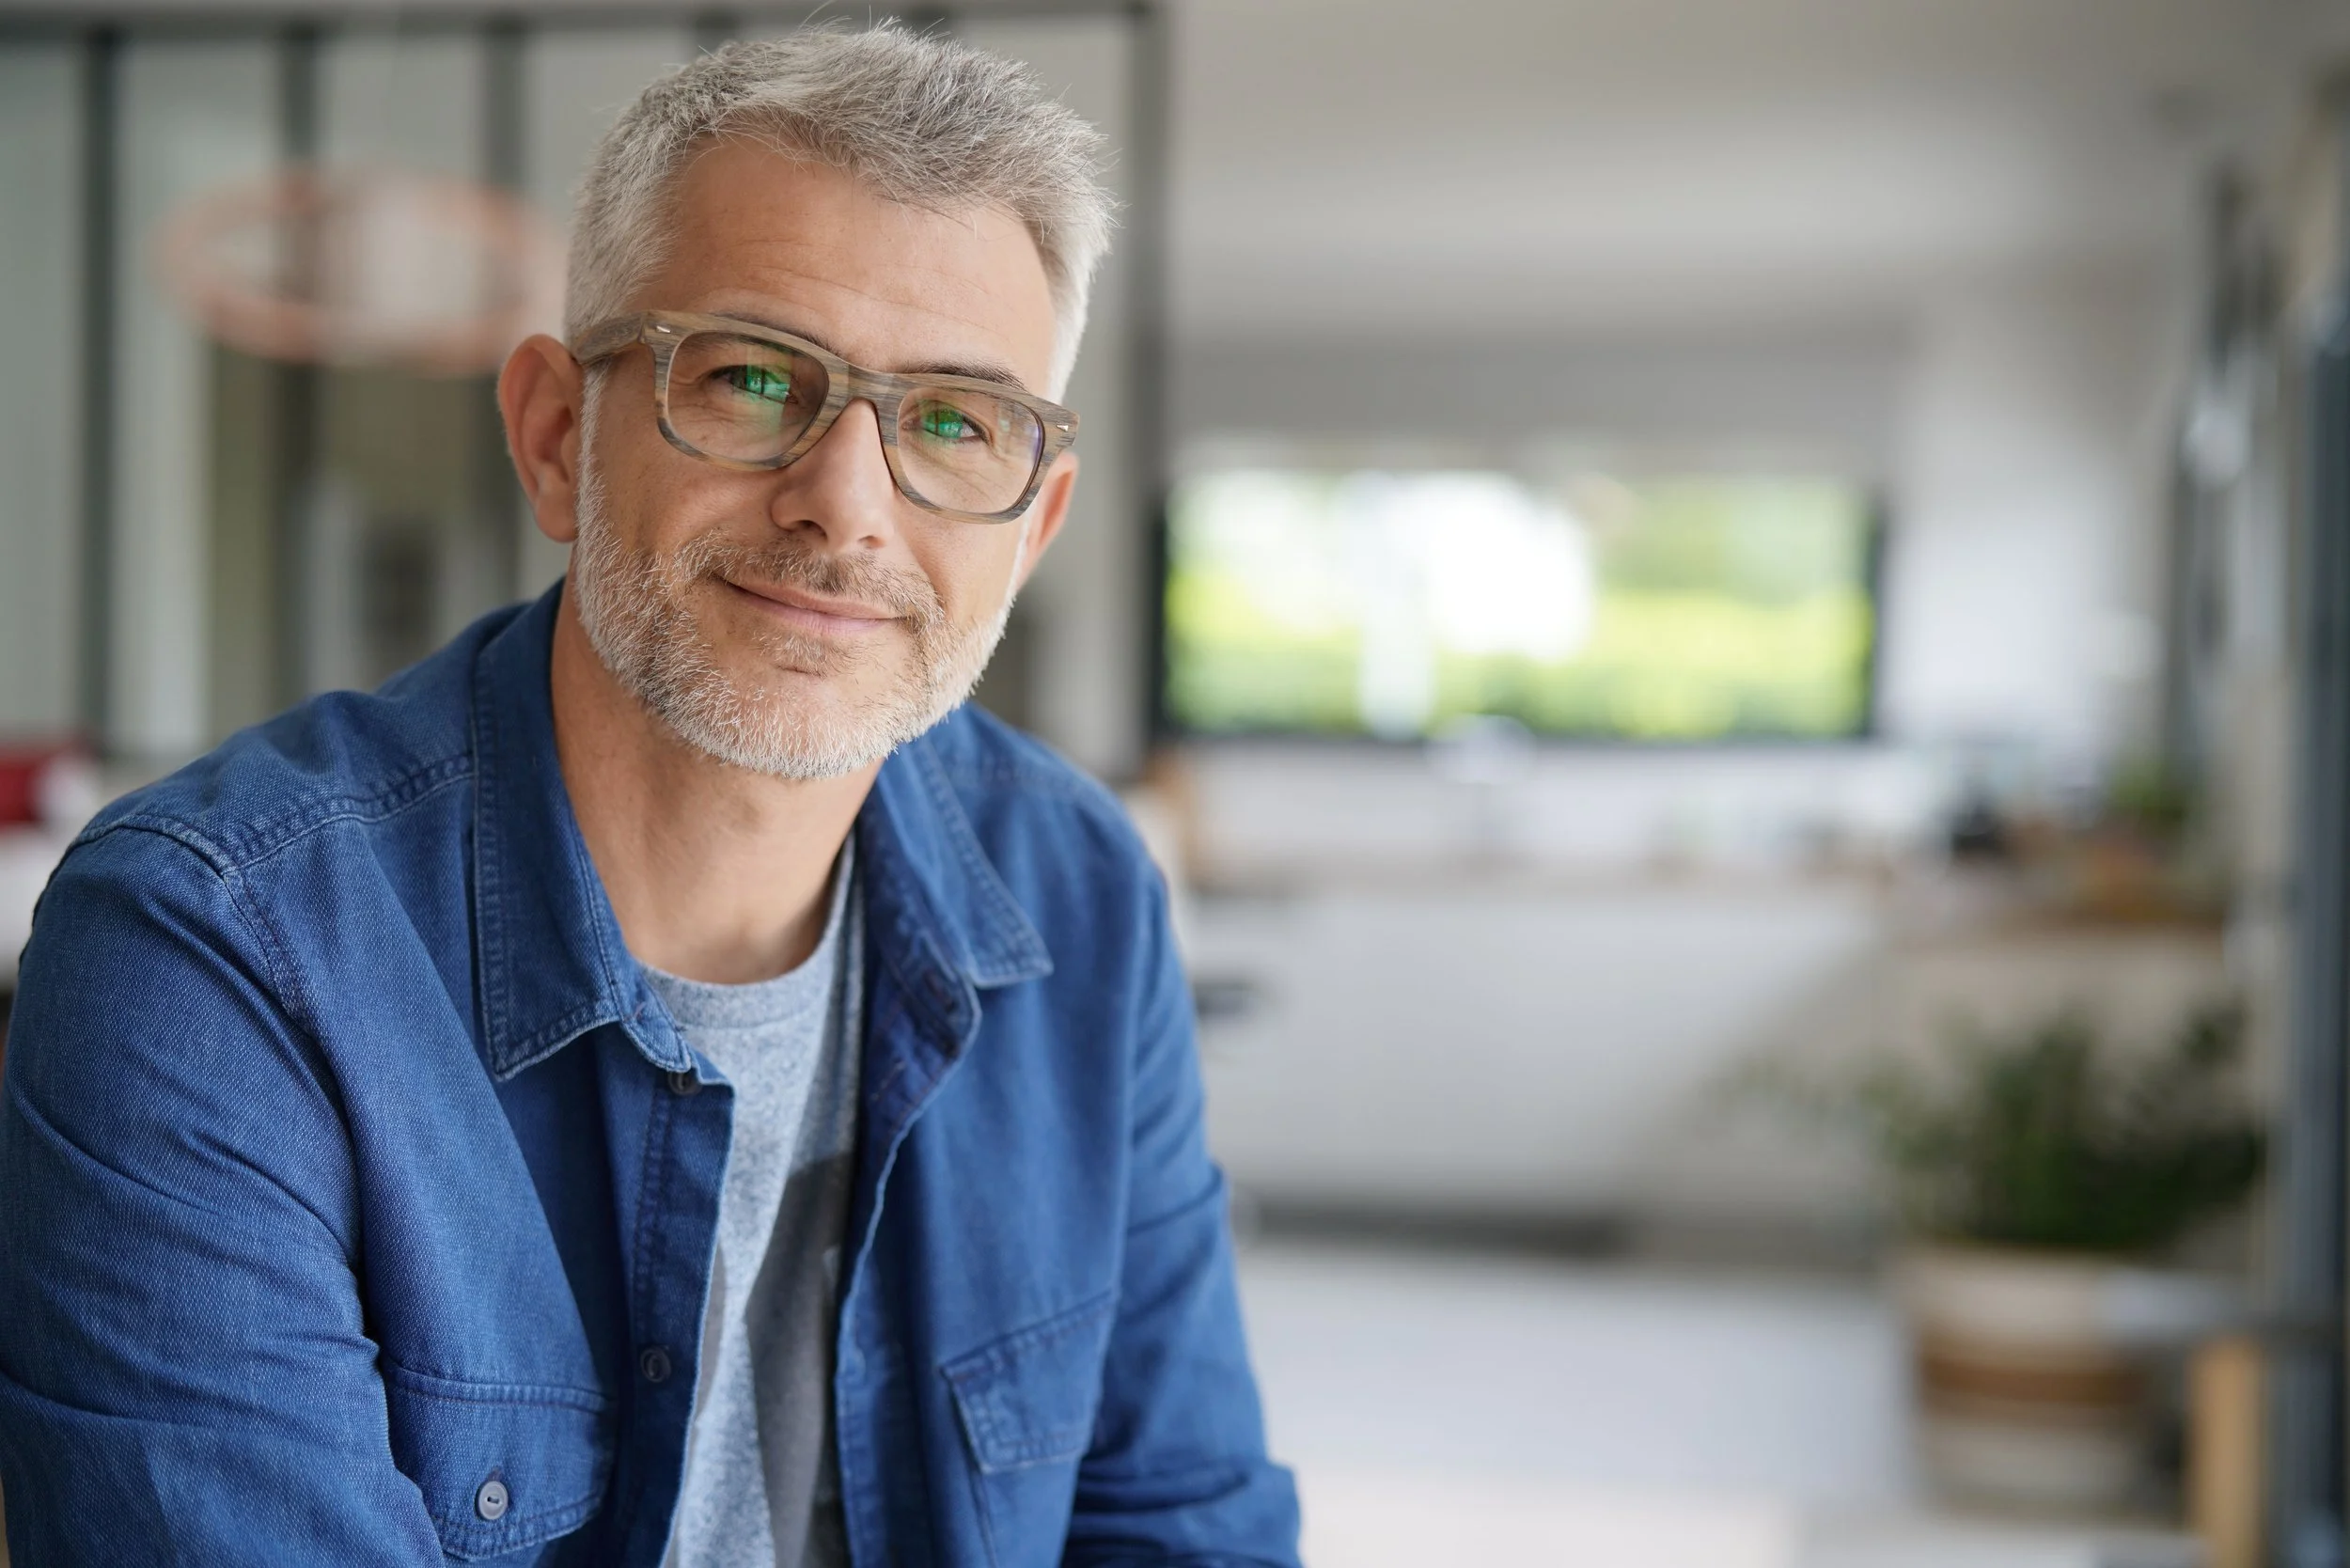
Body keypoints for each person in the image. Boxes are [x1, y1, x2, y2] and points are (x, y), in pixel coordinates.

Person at [0, 26, 1300, 1567]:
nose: (848, 501)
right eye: (754, 379)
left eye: (956, 422)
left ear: (1033, 523)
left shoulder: (1078, 890)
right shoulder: (209, 952)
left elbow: (1179, 1526)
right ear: (559, 439)